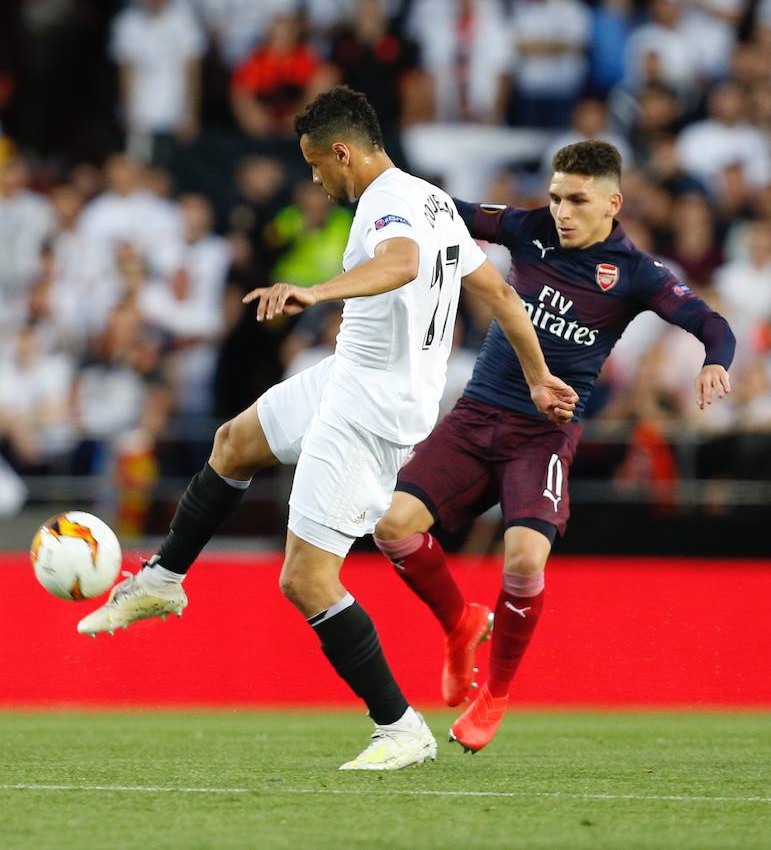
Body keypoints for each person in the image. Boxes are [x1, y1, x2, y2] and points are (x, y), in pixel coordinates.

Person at [76, 87, 577, 771]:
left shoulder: (386, 205)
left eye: (316, 165)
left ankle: (400, 727)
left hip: (372, 405)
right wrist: (538, 374)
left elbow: (400, 261)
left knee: (305, 579)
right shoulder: (432, 199)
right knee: (235, 442)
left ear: (343, 152)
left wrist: (316, 292)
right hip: (351, 375)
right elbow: (500, 295)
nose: (315, 179)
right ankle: (163, 579)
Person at [372, 139, 736, 753]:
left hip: (542, 436)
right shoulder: (528, 228)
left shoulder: (636, 273)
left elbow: (712, 323)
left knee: (523, 562)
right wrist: (386, 182)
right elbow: (449, 210)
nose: (562, 211)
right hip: (474, 417)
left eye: (577, 200)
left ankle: (498, 694)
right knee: (392, 527)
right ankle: (461, 624)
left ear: (612, 203)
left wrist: (714, 363)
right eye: (556, 197)